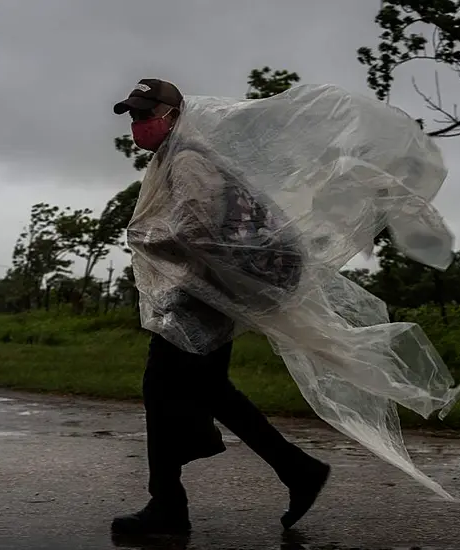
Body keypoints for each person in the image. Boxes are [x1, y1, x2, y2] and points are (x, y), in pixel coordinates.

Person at [111, 78, 331, 536]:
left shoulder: (189, 160)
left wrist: (146, 239)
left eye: (146, 114)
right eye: (134, 115)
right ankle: (297, 470)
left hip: (203, 298)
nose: (139, 124)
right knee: (209, 391)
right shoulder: (179, 158)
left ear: (174, 115)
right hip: (208, 294)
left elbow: (198, 232)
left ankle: (168, 506)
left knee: (161, 387)